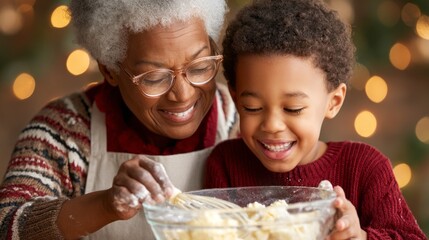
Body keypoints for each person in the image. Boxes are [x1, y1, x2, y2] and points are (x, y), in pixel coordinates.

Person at [0, 0, 239, 239]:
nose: (183, 95)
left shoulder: (240, 117)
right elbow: (8, 226)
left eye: (199, 67)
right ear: (110, 70)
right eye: (155, 78)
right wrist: (105, 206)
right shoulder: (63, 130)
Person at [204, 0, 426, 239]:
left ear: (333, 102)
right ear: (236, 100)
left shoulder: (366, 168)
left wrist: (361, 236)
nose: (272, 125)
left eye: (293, 108)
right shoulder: (225, 164)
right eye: (253, 107)